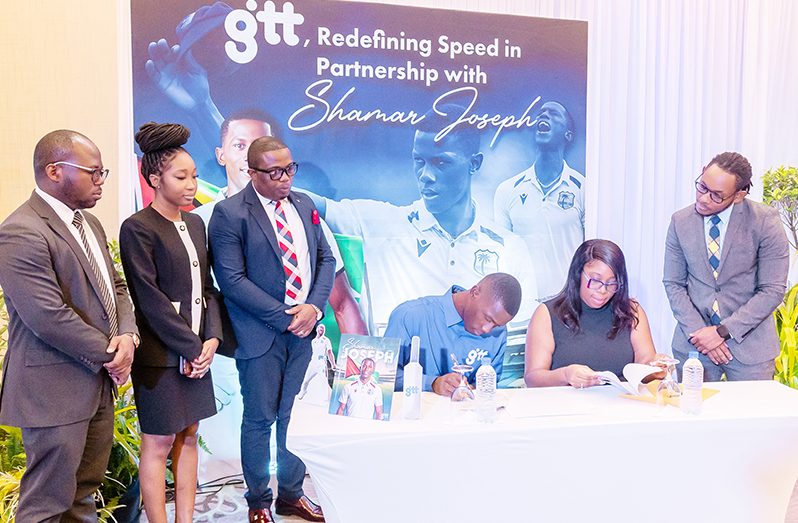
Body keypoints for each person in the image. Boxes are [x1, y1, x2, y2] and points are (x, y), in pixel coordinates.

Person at [0, 130, 138, 521]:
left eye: (102, 172)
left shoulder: (89, 224)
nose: (100, 181)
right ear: (55, 170)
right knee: (46, 503)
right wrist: (112, 353)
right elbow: (47, 316)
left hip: (96, 383)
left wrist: (127, 335)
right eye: (93, 172)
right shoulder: (21, 231)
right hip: (53, 391)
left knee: (83, 495)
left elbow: (116, 286)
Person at [308, 105, 536, 329]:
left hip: (472, 367)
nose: (426, 175)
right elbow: (305, 201)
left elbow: (519, 337)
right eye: (419, 161)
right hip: (395, 366)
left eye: (441, 162)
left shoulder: (509, 248)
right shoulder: (381, 223)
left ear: (474, 163)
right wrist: (275, 172)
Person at [209, 136, 334, 522]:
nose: (285, 178)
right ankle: (259, 501)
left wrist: (313, 307)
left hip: (304, 332)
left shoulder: (305, 204)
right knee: (260, 419)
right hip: (259, 335)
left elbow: (326, 259)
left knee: (296, 416)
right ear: (252, 172)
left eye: (290, 168)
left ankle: (292, 495)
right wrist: (286, 316)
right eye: (275, 172)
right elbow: (232, 280)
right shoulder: (230, 214)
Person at [120, 122, 223, 523]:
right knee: (159, 441)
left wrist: (211, 339)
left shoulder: (195, 223)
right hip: (162, 355)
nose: (191, 184)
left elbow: (208, 290)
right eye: (181, 176)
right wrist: (192, 347)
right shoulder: (137, 227)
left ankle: (186, 519)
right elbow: (149, 300)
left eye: (194, 176)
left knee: (190, 435)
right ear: (153, 178)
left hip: (198, 351)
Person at [663, 152, 788, 381]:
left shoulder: (765, 222)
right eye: (702, 187)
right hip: (694, 346)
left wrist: (722, 331)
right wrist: (702, 336)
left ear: (739, 194)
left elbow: (772, 290)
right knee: (692, 415)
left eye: (716, 196)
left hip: (750, 350)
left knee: (751, 417)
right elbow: (674, 284)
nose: (703, 198)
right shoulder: (680, 221)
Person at [524, 239, 665, 388]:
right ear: (578, 274)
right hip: (567, 406)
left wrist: (656, 368)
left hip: (620, 405)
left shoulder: (631, 311)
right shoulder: (547, 314)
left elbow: (645, 362)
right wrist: (566, 375)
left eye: (612, 283)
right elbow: (533, 378)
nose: (603, 290)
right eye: (596, 280)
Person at [494, 100, 585, 301]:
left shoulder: (582, 188)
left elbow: (591, 254)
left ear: (568, 135)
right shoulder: (508, 189)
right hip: (522, 304)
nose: (543, 116)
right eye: (541, 113)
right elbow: (502, 253)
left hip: (567, 303)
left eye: (553, 114)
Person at [385, 273, 521, 396]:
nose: (487, 329)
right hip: (414, 419)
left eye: (497, 325)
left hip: (468, 419)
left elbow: (489, 387)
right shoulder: (410, 316)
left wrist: (470, 389)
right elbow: (382, 377)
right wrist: (432, 383)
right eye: (488, 318)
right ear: (475, 292)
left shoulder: (499, 333)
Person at [299, 323, 336, 402]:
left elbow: (329, 352)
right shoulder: (313, 341)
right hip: (313, 362)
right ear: (317, 329)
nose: (321, 330)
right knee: (306, 380)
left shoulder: (326, 340)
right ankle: (303, 391)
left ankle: (326, 398)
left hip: (321, 363)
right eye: (320, 328)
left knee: (323, 380)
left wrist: (333, 364)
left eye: (322, 329)